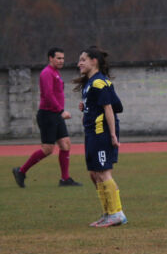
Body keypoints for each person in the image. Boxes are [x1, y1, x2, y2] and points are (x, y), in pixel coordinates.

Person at [12, 48, 82, 188]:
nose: (61, 61)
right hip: (48, 115)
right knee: (48, 149)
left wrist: (59, 112)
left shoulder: (56, 73)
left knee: (66, 144)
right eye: (58, 58)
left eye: (63, 58)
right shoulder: (46, 73)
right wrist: (61, 111)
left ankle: (65, 179)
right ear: (50, 58)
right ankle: (21, 171)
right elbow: (48, 95)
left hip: (55, 115)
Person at [73, 46, 127, 227]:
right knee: (93, 174)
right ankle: (107, 212)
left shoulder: (98, 83)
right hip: (91, 134)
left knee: (103, 173)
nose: (79, 63)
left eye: (83, 59)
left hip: (101, 133)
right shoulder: (91, 84)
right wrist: (87, 107)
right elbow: (118, 105)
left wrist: (112, 135)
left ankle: (117, 213)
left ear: (93, 61)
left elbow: (110, 109)